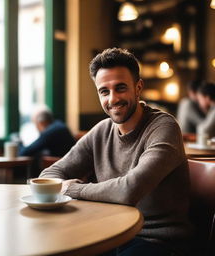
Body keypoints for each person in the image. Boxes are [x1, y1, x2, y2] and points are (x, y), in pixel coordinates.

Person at [40, 48, 193, 256]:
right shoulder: (102, 130)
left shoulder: (164, 127)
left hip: (158, 241)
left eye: (120, 88)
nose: (113, 99)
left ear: (138, 87)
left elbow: (129, 189)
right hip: (110, 233)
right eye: (104, 91)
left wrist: (71, 189)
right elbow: (49, 175)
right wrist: (63, 185)